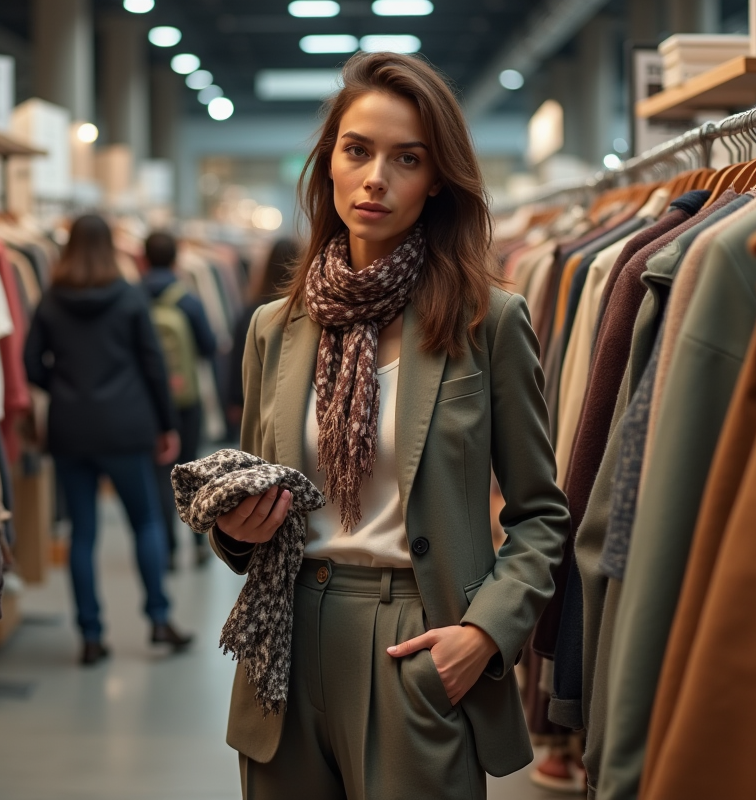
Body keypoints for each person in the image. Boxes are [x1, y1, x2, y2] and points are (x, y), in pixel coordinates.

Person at [212, 52, 570, 799]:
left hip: (414, 635)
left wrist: (484, 634)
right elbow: (257, 491)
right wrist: (235, 531)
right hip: (284, 643)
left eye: (407, 158)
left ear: (437, 178)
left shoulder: (488, 322)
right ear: (329, 163)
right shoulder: (276, 327)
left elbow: (540, 514)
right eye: (358, 150)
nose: (376, 177)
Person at [24, 214, 193, 666]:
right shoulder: (129, 296)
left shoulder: (51, 300)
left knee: (82, 534)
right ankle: (159, 619)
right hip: (126, 426)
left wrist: (64, 387)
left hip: (70, 429)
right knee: (146, 522)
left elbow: (31, 364)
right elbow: (154, 364)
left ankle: (91, 636)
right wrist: (167, 425)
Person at [142, 231, 218, 568]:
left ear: (144, 259)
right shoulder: (188, 301)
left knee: (159, 474)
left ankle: (169, 549)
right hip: (186, 398)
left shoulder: (133, 299)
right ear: (175, 259)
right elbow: (209, 346)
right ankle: (198, 542)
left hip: (148, 401)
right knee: (191, 469)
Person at [224, 237, 299, 429]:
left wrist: (235, 400)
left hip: (257, 399)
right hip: (293, 402)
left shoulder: (253, 312)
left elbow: (238, 358)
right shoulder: (306, 314)